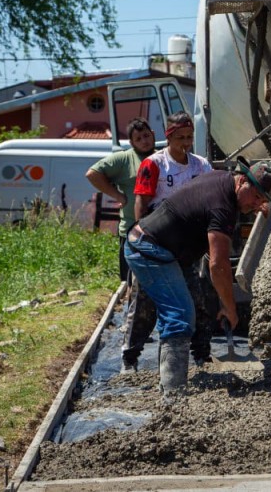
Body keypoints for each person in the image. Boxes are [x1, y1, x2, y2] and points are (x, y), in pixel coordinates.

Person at [124, 159, 271, 400]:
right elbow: (218, 266)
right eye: (257, 196)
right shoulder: (223, 206)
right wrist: (230, 307)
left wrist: (252, 205)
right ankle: (173, 397)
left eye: (263, 200)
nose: (258, 204)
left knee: (189, 310)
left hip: (166, 250)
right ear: (242, 181)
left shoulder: (223, 180)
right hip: (151, 250)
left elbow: (223, 209)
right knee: (179, 315)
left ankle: (170, 379)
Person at [132, 111, 215, 366]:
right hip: (157, 239)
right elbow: (142, 202)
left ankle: (201, 354)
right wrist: (140, 238)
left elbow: (211, 196)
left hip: (186, 243)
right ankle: (130, 355)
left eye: (190, 137)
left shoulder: (200, 165)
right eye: (180, 137)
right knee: (145, 303)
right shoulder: (154, 164)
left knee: (196, 299)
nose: (186, 143)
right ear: (169, 137)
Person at [85, 117, 157, 371]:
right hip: (132, 233)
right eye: (138, 139)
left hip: (160, 232)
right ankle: (132, 328)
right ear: (131, 142)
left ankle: (152, 325)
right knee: (132, 283)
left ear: (153, 134)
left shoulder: (162, 157)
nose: (144, 141)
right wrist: (117, 195)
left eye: (147, 136)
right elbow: (93, 174)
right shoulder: (124, 159)